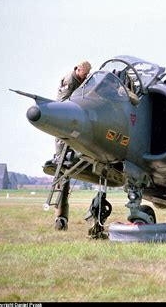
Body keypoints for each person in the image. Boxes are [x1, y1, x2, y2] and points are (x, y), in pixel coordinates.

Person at [53, 60, 92, 230]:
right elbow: (63, 106)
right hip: (65, 127)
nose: (85, 76)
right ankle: (60, 218)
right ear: (78, 69)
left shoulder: (83, 79)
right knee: (63, 170)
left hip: (75, 128)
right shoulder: (69, 80)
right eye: (84, 73)